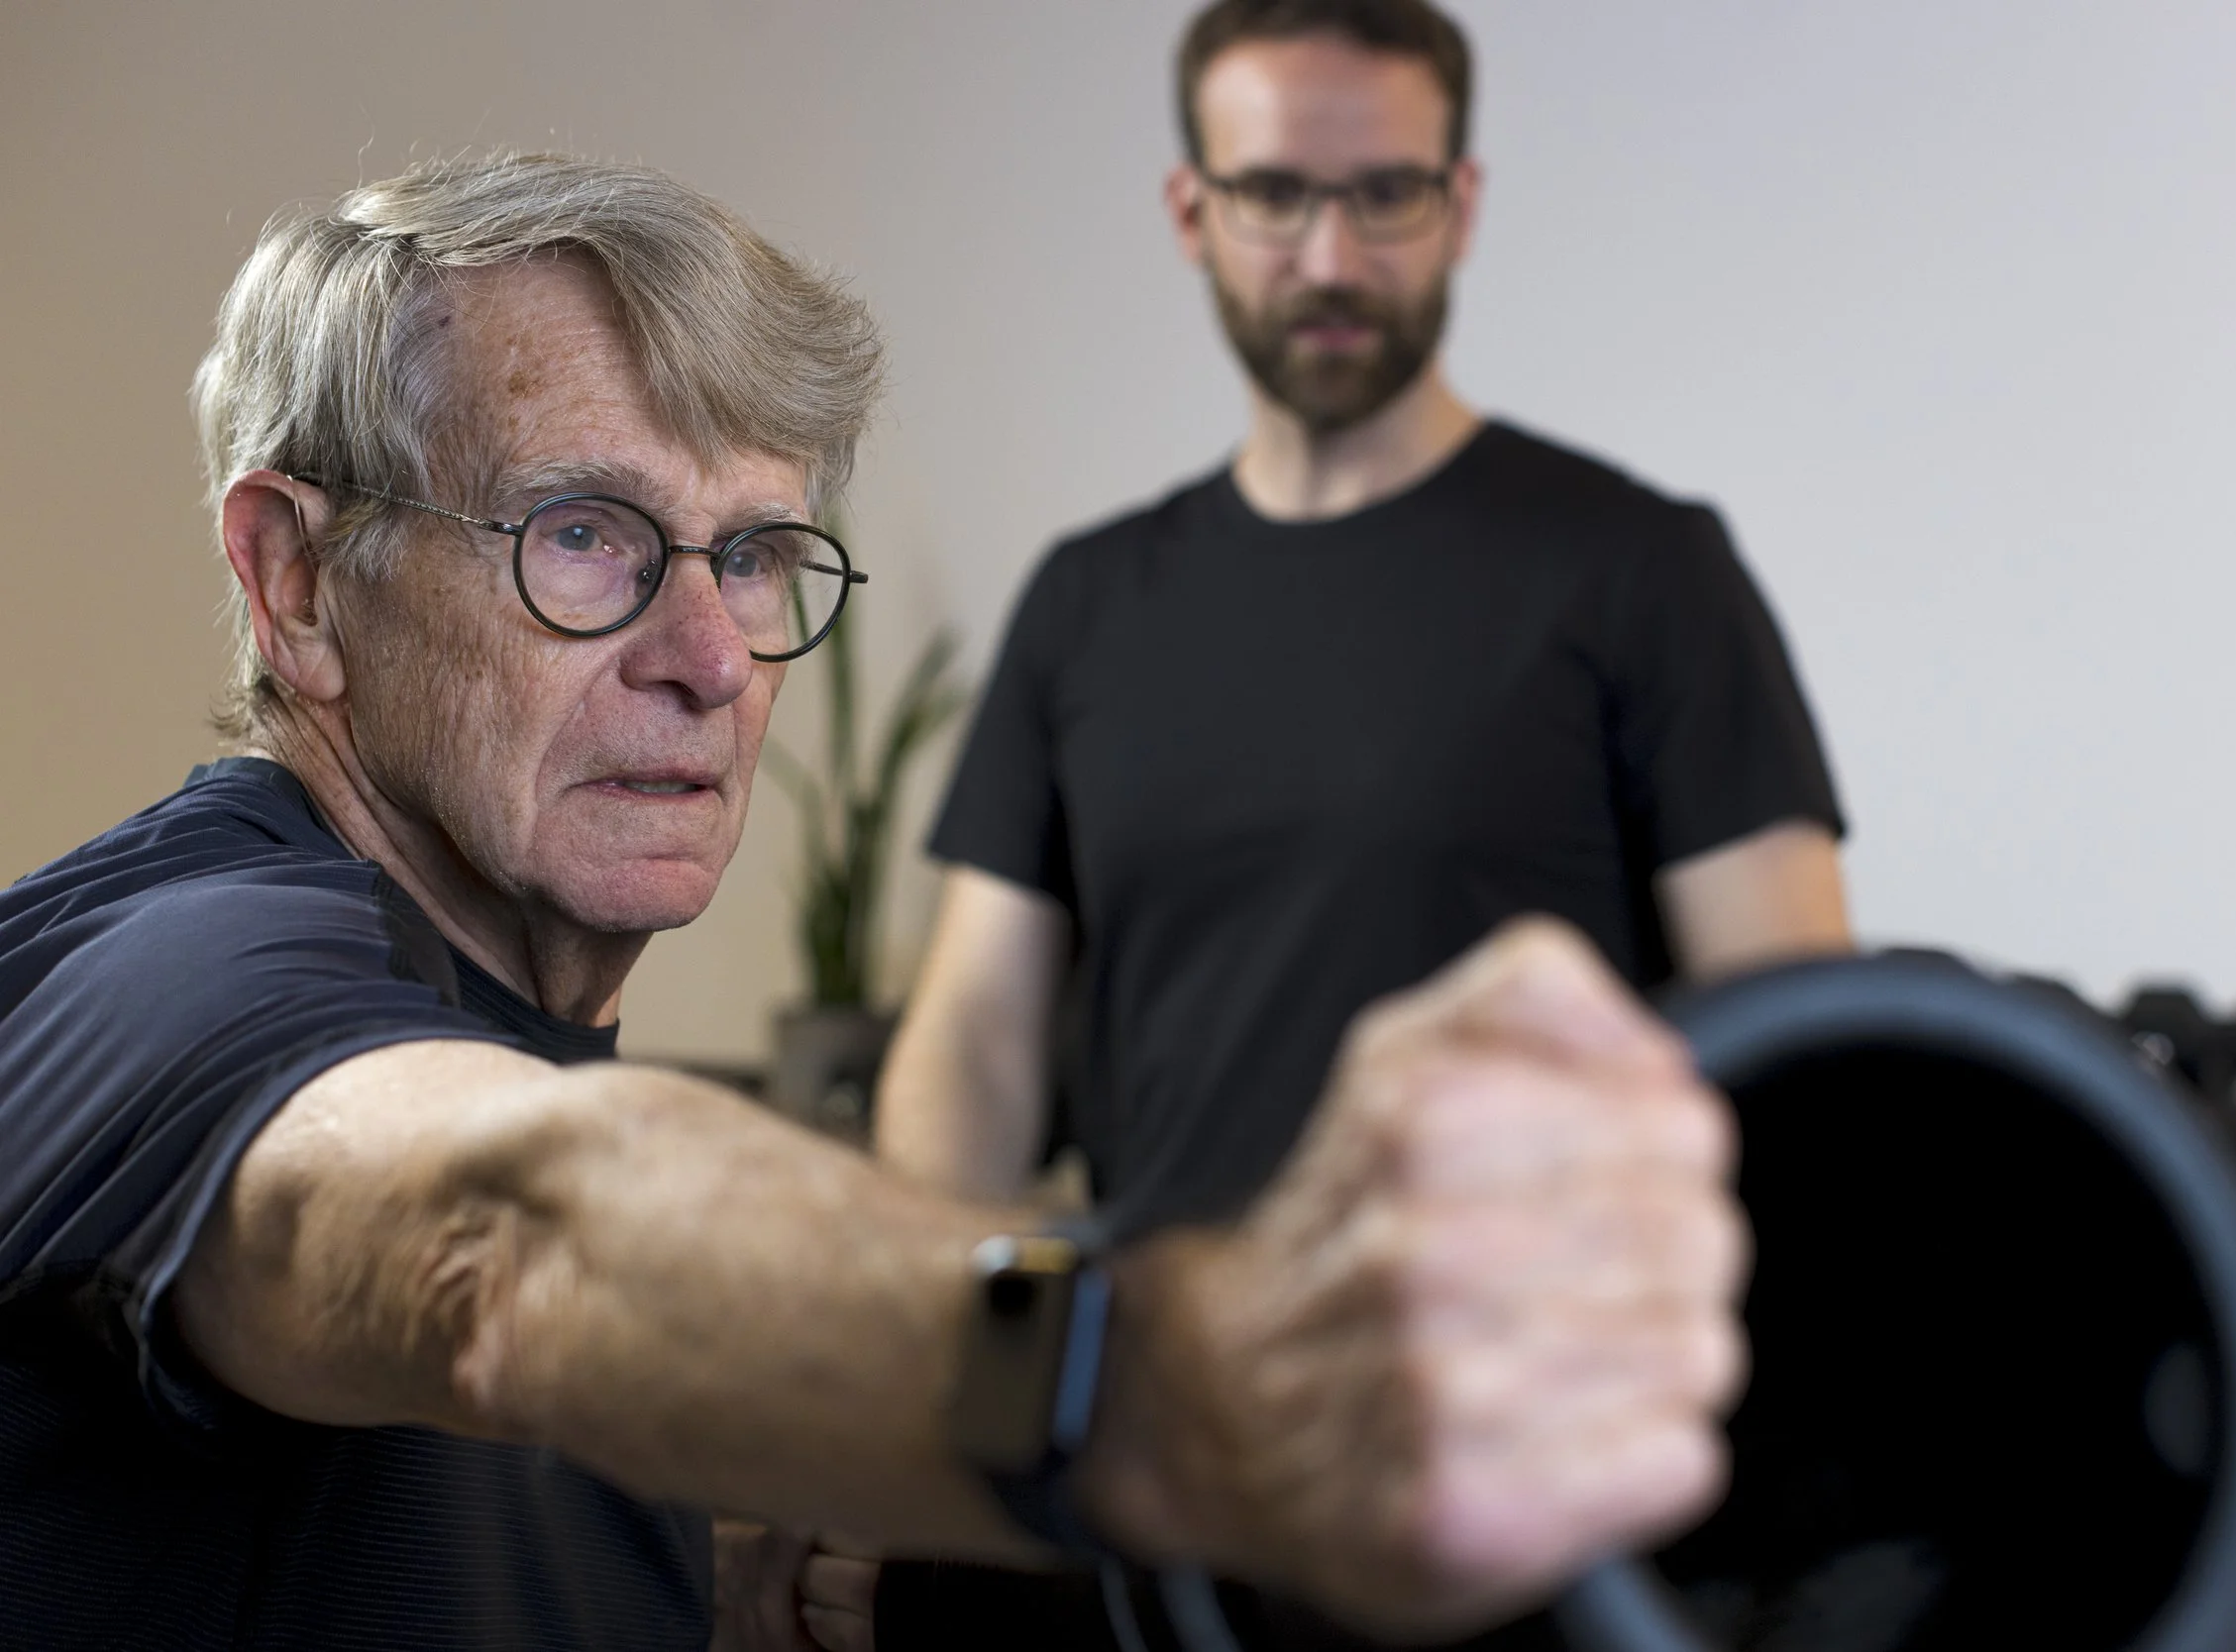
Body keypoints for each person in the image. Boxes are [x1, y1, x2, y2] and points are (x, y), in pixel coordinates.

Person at [0, 153, 1748, 1652]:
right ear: (296, 582)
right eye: (587, 535)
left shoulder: (515, 1028)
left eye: (753, 552)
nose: (707, 661)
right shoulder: (166, 972)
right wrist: (1175, 1364)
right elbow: (507, 1240)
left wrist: (712, 1546)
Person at [881, 0, 1851, 1236]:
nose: (1331, 259)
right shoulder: (1086, 599)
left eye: (1386, 194)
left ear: (1462, 204)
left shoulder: (1645, 568)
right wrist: (910, 1320)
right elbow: (977, 1041)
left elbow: (1803, 1051)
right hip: (1162, 1397)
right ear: (1193, 212)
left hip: (1513, 1398)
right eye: (1275, 194)